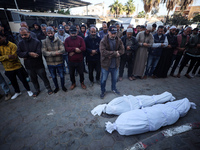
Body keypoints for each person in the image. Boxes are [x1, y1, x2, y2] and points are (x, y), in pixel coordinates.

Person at [17, 27, 53, 97]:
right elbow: (19, 53)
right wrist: (29, 54)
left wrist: (26, 56)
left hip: (38, 64)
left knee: (44, 77)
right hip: (28, 66)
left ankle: (49, 88)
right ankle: (37, 90)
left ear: (29, 33)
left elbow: (38, 54)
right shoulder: (20, 43)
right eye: (22, 35)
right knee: (33, 79)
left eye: (25, 34)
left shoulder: (36, 41)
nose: (23, 36)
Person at [0, 32, 33, 99]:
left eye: (0, 38)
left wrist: (4, 57)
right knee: (13, 82)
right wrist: (8, 56)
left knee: (23, 80)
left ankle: (28, 90)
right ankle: (17, 92)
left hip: (17, 66)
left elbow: (14, 57)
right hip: (8, 68)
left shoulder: (12, 45)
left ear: (4, 37)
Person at [99, 25, 125, 99]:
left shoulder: (118, 40)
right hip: (106, 65)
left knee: (114, 79)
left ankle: (113, 88)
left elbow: (122, 51)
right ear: (108, 32)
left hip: (115, 64)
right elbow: (103, 52)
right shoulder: (103, 40)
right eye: (112, 33)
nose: (113, 35)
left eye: (115, 33)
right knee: (103, 79)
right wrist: (115, 53)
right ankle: (103, 91)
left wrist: (111, 54)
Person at [42, 26, 67, 93]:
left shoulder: (58, 40)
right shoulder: (44, 42)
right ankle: (56, 87)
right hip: (50, 63)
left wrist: (50, 53)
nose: (50, 35)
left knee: (61, 76)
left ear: (54, 32)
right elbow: (44, 52)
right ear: (46, 33)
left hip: (59, 62)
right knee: (53, 76)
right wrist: (55, 53)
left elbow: (62, 50)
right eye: (48, 33)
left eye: (51, 33)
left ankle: (63, 86)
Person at [64, 26, 87, 90]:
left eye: (74, 33)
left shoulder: (80, 39)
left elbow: (84, 47)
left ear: (77, 32)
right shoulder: (67, 39)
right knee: (71, 73)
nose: (73, 34)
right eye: (72, 33)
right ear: (69, 32)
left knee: (81, 73)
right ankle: (73, 83)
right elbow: (66, 48)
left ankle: (82, 82)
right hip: (71, 61)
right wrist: (75, 49)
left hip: (80, 60)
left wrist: (74, 51)